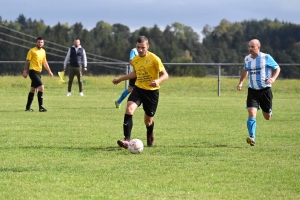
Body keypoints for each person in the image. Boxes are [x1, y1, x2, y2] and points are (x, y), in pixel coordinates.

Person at [112, 36, 169, 149]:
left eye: (142, 47)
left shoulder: (154, 59)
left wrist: (158, 80)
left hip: (152, 93)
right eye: (138, 47)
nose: (140, 50)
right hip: (138, 89)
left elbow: (165, 75)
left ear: (148, 46)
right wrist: (120, 79)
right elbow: (135, 74)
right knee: (129, 109)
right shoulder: (135, 60)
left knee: (148, 121)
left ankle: (150, 131)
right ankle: (127, 140)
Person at [237, 39, 281, 146]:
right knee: (251, 112)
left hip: (265, 90)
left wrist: (273, 79)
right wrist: (241, 82)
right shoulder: (247, 59)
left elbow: (277, 68)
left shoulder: (266, 57)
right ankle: (252, 137)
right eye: (249, 46)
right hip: (252, 91)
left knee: (267, 117)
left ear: (258, 47)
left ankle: (268, 110)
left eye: (252, 47)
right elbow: (245, 70)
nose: (250, 49)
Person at [23, 37, 53, 112]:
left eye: (41, 42)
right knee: (41, 87)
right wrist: (25, 71)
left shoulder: (43, 51)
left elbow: (44, 62)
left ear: (43, 43)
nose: (40, 43)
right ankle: (41, 107)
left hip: (39, 72)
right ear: (36, 43)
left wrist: (49, 71)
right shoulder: (32, 50)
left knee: (33, 89)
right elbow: (27, 61)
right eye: (38, 42)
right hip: (33, 71)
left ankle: (27, 108)